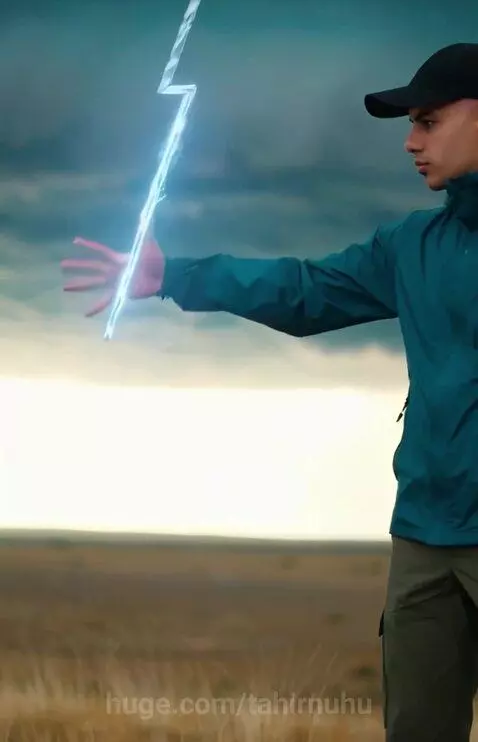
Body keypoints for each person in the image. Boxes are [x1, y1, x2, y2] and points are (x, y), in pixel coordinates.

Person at [62, 42, 478, 741]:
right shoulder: (413, 245)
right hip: (425, 537)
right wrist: (174, 277)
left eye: (428, 121)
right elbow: (305, 290)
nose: (410, 142)